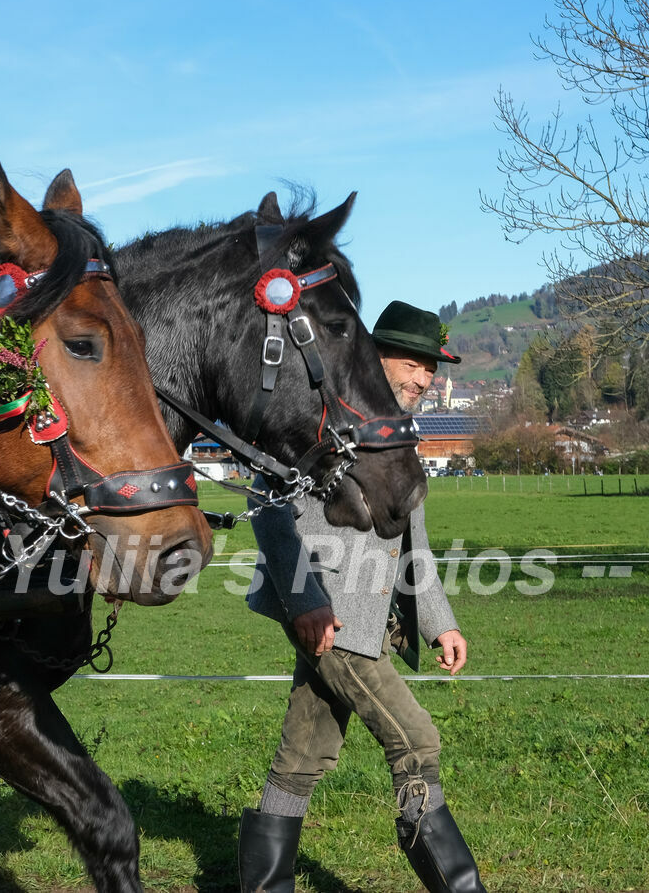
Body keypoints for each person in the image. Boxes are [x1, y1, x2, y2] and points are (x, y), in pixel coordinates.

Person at [239, 300, 488, 893]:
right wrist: (303, 602)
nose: (426, 379)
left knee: (302, 756)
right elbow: (266, 506)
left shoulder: (403, 427)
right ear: (378, 354)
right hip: (330, 613)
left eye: (433, 368)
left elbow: (412, 538)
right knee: (416, 738)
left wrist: (439, 623)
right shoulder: (313, 408)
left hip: (368, 616)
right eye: (416, 363)